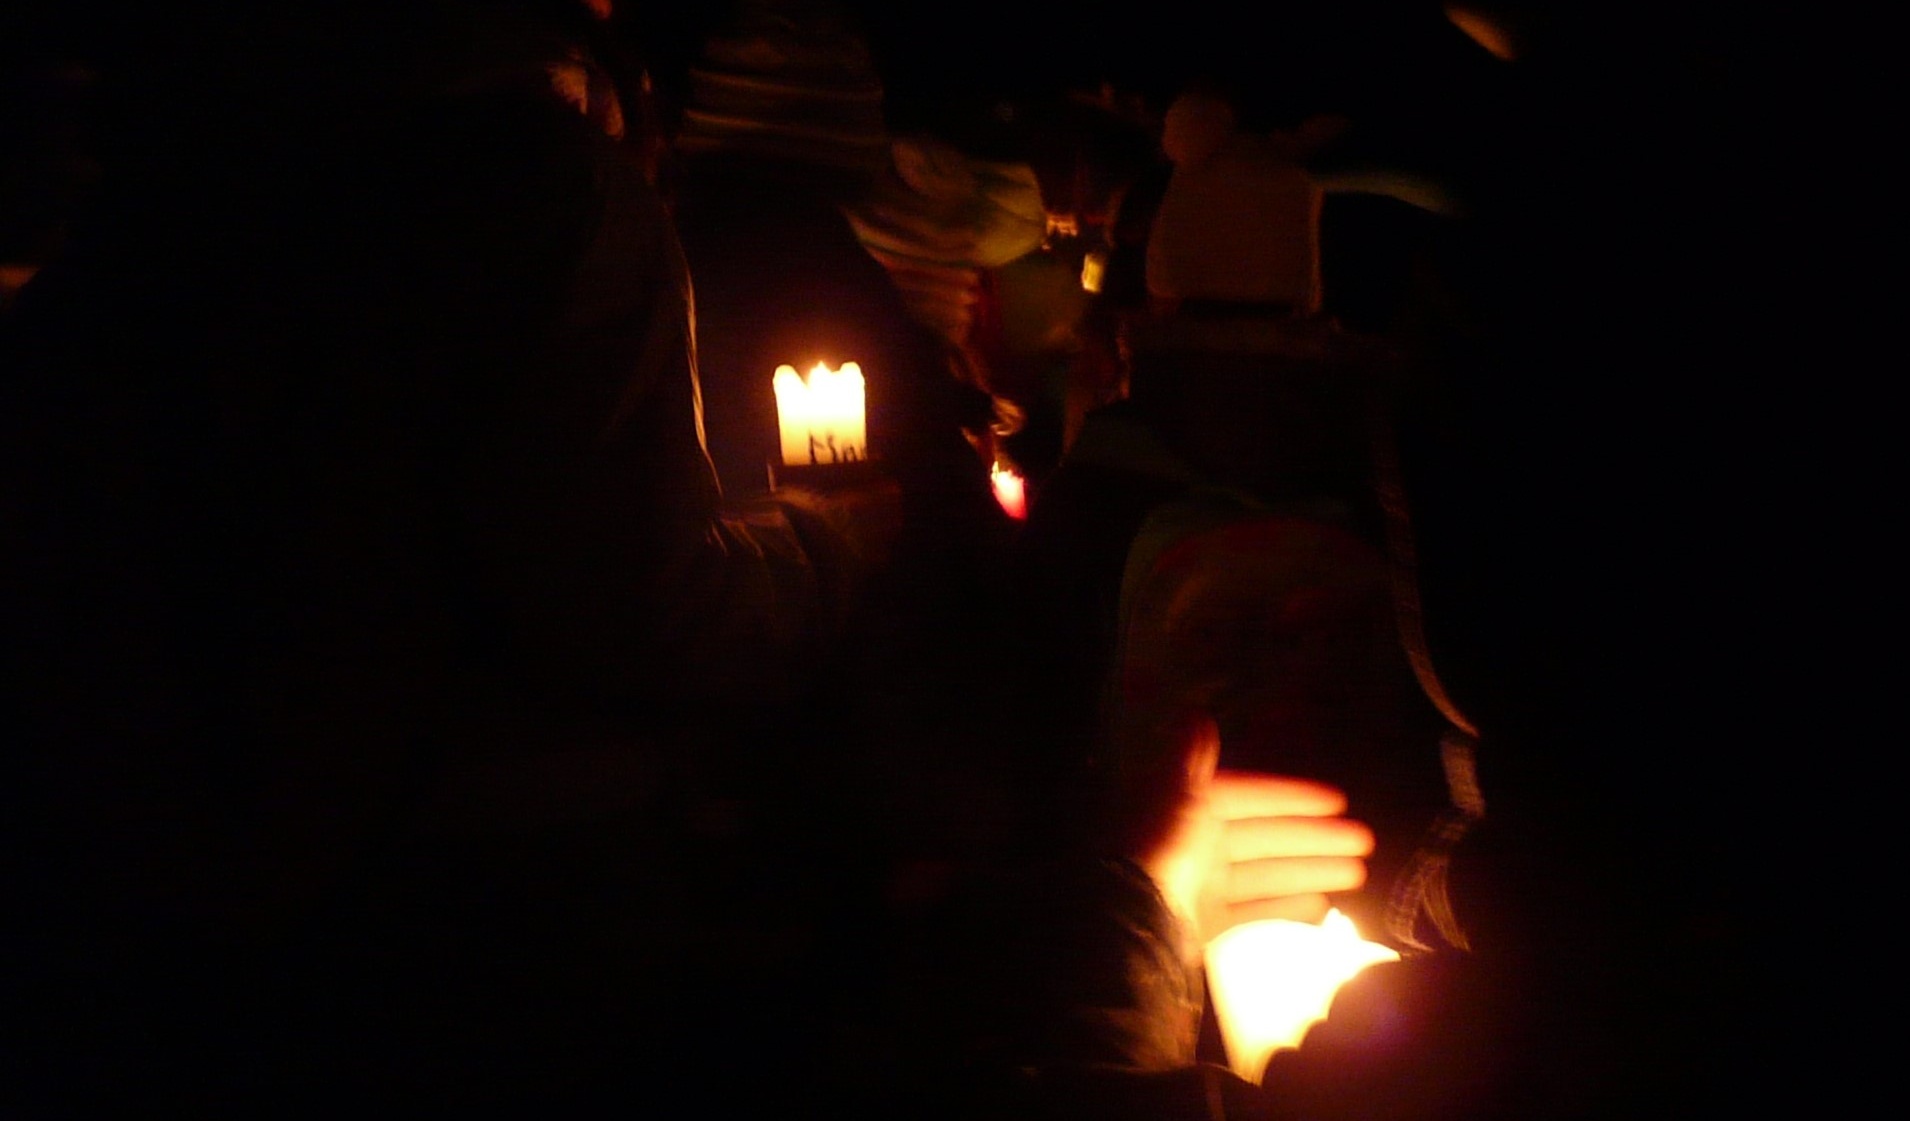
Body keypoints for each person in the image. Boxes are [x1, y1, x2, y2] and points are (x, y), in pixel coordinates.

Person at [1, 2, 1381, 1116]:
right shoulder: (527, 197)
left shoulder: (161, 206)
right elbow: (636, 599)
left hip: (209, 873)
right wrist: (831, 559)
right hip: (511, 893)